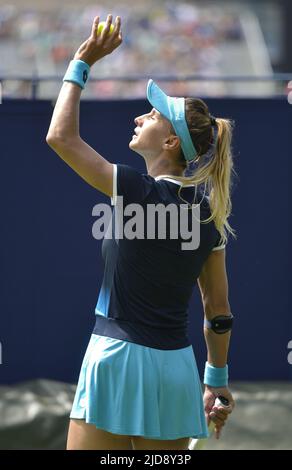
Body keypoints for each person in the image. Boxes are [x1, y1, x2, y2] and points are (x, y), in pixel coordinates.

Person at [46, 14, 236, 451]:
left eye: (151, 116)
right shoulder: (210, 216)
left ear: (170, 143)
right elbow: (219, 312)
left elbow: (60, 137)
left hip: (115, 360)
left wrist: (81, 62)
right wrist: (216, 384)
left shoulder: (134, 187)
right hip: (175, 373)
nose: (139, 118)